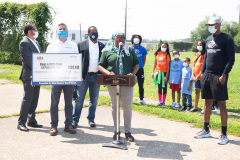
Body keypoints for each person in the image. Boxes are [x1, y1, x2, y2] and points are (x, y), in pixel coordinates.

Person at [194, 17, 235, 145]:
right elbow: (205, 58)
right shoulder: (207, 39)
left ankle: (224, 134)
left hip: (219, 76)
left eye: (212, 24)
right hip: (207, 75)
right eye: (209, 25)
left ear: (219, 25)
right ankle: (206, 130)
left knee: (221, 104)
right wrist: (203, 72)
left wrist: (224, 74)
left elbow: (231, 59)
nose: (210, 26)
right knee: (207, 103)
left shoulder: (226, 39)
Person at [98, 32, 139, 142]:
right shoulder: (107, 50)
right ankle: (116, 131)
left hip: (127, 82)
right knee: (115, 106)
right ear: (113, 38)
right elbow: (100, 65)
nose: (120, 39)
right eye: (118, 37)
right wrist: (107, 73)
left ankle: (127, 132)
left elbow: (136, 64)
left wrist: (133, 74)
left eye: (123, 38)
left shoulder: (129, 50)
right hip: (112, 82)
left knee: (127, 107)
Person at [46, 23, 78, 136]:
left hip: (69, 78)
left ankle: (68, 125)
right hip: (56, 78)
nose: (62, 31)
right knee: (54, 102)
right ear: (56, 31)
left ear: (67, 31)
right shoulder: (51, 45)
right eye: (60, 29)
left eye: (64, 29)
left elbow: (76, 61)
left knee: (69, 102)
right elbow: (46, 62)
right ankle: (54, 126)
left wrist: (76, 78)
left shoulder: (73, 45)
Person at [72, 26, 105, 128]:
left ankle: (91, 119)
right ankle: (75, 120)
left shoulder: (102, 46)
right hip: (83, 77)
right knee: (79, 99)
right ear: (88, 34)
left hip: (96, 76)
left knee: (94, 99)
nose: (94, 33)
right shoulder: (81, 45)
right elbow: (75, 60)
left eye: (96, 32)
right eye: (92, 32)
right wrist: (77, 75)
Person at [18, 24, 42, 131]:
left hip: (38, 75)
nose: (36, 31)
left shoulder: (36, 42)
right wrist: (37, 70)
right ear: (29, 31)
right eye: (34, 30)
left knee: (35, 98)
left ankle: (31, 120)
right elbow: (28, 60)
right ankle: (21, 123)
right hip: (29, 75)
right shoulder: (24, 43)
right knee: (27, 98)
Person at [131, 34, 148, 105]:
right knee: (129, 84)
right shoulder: (129, 48)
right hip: (131, 69)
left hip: (140, 69)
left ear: (140, 40)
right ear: (132, 39)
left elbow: (144, 59)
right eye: (135, 38)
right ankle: (129, 98)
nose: (136, 40)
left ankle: (141, 99)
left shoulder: (143, 49)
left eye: (138, 38)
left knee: (141, 84)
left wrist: (141, 66)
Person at [152, 42, 171, 107]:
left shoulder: (167, 55)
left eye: (165, 47)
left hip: (165, 73)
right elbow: (155, 63)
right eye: (162, 47)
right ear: (160, 46)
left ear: (167, 48)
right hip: (158, 73)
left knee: (164, 88)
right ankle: (160, 101)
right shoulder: (157, 54)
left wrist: (167, 76)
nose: (163, 48)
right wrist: (153, 72)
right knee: (159, 87)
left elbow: (168, 66)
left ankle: (163, 102)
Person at [191, 40, 205, 112]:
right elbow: (194, 65)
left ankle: (203, 109)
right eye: (198, 44)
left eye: (201, 45)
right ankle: (195, 107)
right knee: (196, 91)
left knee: (204, 93)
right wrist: (193, 75)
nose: (199, 46)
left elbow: (204, 67)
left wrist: (198, 76)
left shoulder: (205, 55)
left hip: (202, 76)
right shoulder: (196, 54)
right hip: (195, 76)